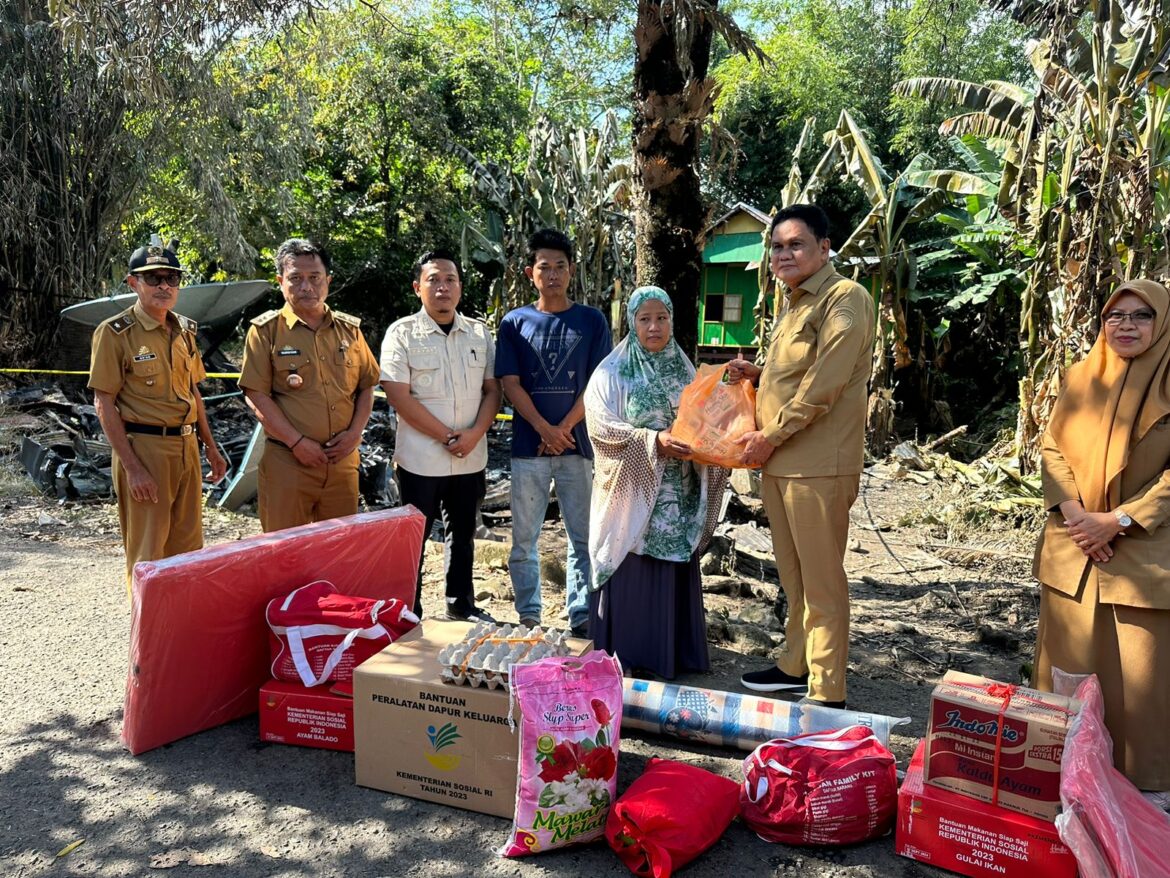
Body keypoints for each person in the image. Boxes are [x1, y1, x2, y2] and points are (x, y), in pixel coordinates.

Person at [729, 204, 874, 709]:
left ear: (824, 247)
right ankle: (796, 664)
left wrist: (771, 433)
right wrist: (759, 376)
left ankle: (827, 688)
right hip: (781, 462)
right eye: (777, 246)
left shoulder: (844, 299)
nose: (784, 254)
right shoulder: (793, 304)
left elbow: (823, 385)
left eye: (796, 244)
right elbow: (794, 372)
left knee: (822, 579)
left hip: (818, 463)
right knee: (794, 576)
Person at [1033, 279, 1170, 794]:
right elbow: (1052, 450)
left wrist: (1120, 520)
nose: (1126, 326)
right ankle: (1062, 781)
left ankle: (1144, 793)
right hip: (1075, 549)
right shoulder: (1080, 378)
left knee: (1143, 686)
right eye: (1116, 315)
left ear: (1162, 324)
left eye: (1141, 316)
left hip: (1145, 556)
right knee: (1067, 673)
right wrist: (1077, 516)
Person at [584, 286, 728, 678]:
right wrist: (653, 442)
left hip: (678, 491)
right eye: (645, 319)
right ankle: (627, 655)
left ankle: (672, 654)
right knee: (633, 561)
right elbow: (600, 427)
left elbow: (706, 418)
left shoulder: (684, 370)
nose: (654, 327)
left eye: (661, 318)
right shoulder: (611, 373)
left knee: (672, 562)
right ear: (632, 323)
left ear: (671, 321)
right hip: (632, 492)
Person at [88, 237, 227, 586]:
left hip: (186, 448)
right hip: (145, 450)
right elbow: (103, 403)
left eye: (171, 278)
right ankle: (149, 636)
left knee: (188, 551)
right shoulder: (115, 333)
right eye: (153, 278)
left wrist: (210, 447)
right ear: (134, 282)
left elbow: (193, 390)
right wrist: (133, 469)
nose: (164, 286)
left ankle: (180, 631)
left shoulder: (184, 330)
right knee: (148, 555)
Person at [495, 229, 612, 634]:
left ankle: (580, 614)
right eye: (544, 267)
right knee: (523, 539)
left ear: (572, 270)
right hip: (529, 448)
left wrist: (563, 429)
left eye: (561, 266)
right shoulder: (514, 322)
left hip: (578, 447)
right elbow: (510, 383)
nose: (553, 274)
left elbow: (597, 382)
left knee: (582, 537)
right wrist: (545, 428)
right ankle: (529, 614)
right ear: (531, 273)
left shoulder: (591, 321)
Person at [380, 249, 501, 621]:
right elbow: (398, 394)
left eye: (450, 279)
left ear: (460, 287)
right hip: (421, 460)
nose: (443, 287)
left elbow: (493, 390)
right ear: (418, 287)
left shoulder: (479, 334)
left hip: (470, 456)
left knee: (463, 536)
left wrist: (474, 433)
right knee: (413, 541)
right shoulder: (401, 333)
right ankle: (408, 610)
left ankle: (461, 606)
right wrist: (449, 435)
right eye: (434, 280)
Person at [239, 238, 380, 532]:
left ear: (327, 280)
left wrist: (355, 433)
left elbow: (367, 384)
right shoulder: (265, 332)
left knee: (338, 549)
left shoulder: (349, 330)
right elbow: (256, 395)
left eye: (314, 278)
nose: (306, 286)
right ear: (280, 281)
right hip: (288, 462)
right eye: (296, 278)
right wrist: (297, 442)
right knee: (286, 553)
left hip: (342, 463)